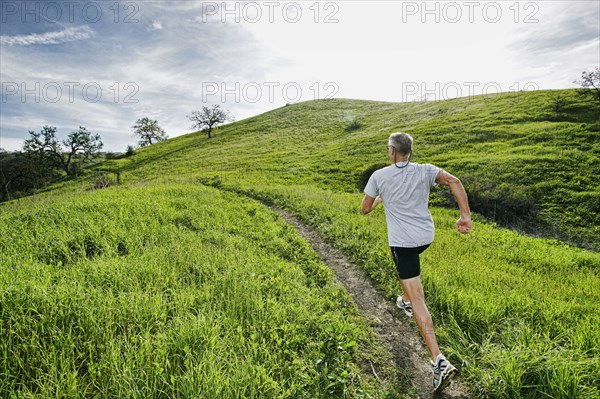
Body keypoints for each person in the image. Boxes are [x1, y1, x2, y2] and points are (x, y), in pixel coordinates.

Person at [360, 132, 472, 392]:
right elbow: (454, 181)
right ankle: (406, 300)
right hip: (425, 237)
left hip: (404, 243)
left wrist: (379, 199)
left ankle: (438, 360)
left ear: (391, 151)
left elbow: (364, 209)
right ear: (409, 151)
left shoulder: (379, 176)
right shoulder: (425, 170)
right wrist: (465, 216)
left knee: (416, 292)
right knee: (404, 271)